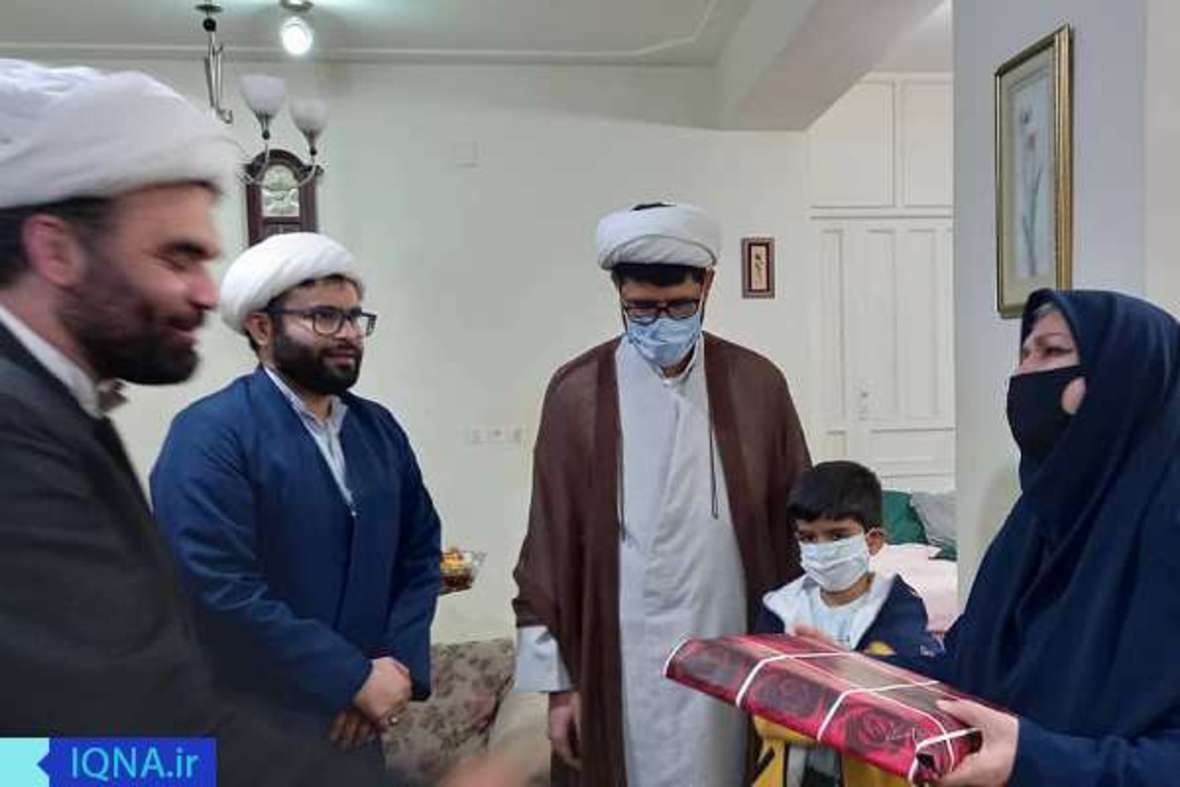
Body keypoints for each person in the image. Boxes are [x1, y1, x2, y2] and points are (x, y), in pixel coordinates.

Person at [0, 60, 395, 784]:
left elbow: (45, 758)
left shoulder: (59, 405)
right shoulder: (14, 428)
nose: (206, 293)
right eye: (177, 256)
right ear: (56, 251)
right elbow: (72, 754)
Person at [512, 202, 812, 787]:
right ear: (618, 295)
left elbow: (801, 528)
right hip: (625, 657)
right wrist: (558, 689)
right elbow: (546, 552)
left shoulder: (757, 386)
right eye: (642, 309)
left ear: (708, 286)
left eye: (679, 306)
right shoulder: (577, 393)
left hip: (734, 643)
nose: (660, 323)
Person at [151, 232, 442, 759]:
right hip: (253, 728)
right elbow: (215, 586)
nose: (348, 334)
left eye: (354, 318)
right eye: (325, 317)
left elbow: (420, 555)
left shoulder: (377, 429)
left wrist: (391, 671)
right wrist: (348, 677)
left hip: (360, 731)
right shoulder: (211, 434)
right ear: (262, 327)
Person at [882, 288, 1180, 786]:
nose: (1024, 375)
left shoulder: (1166, 526)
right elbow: (970, 672)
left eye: (1052, 351)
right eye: (1023, 354)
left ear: (1125, 379)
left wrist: (1034, 759)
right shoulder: (1037, 520)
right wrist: (850, 670)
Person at [752, 460, 942, 787]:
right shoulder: (779, 608)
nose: (821, 549)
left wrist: (825, 673)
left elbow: (908, 686)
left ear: (873, 540)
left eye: (837, 535)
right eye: (808, 537)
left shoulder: (896, 604)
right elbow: (761, 704)